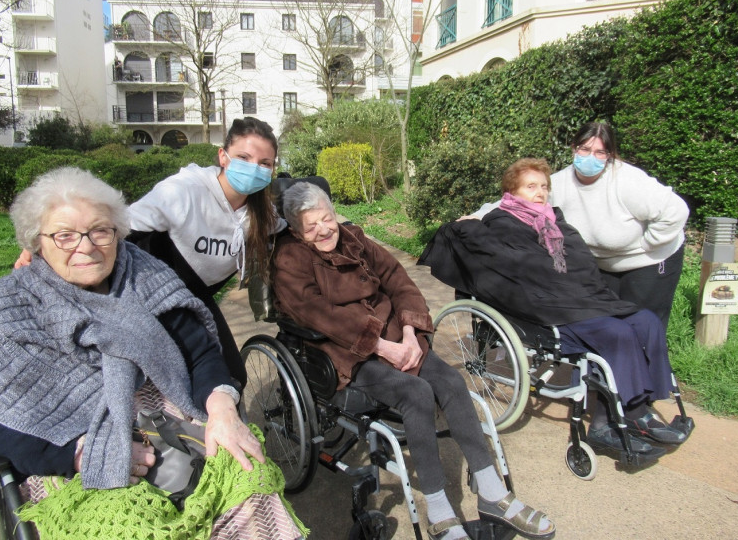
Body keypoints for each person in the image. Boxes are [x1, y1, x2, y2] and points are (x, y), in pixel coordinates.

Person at [0, 167, 304, 539]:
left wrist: (222, 408)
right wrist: (77, 456)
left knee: (248, 477)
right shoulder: (5, 309)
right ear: (36, 241)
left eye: (100, 230)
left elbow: (200, 352)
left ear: (117, 232)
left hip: (169, 419)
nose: (87, 246)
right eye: (65, 236)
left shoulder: (145, 275)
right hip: (71, 449)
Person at [272, 182, 555, 540]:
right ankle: (438, 511)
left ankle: (492, 493)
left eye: (327, 219)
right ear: (297, 231)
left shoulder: (354, 237)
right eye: (311, 227)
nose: (324, 230)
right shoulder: (290, 258)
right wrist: (380, 346)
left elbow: (397, 278)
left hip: (396, 337)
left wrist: (409, 331)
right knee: (416, 393)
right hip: (345, 349)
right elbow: (316, 313)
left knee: (452, 383)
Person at [421, 158, 688, 459]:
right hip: (545, 306)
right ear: (512, 191)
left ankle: (643, 408)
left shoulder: (554, 222)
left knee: (646, 321)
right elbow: (514, 269)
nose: (540, 192)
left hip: (581, 297)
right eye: (531, 186)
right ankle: (620, 420)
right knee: (617, 333)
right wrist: (465, 223)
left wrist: (581, 289)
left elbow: (580, 265)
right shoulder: (500, 224)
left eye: (544, 186)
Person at [15, 117, 286, 388]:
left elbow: (299, 226)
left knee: (231, 377)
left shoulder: (262, 213)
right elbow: (115, 226)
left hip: (195, 297)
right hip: (147, 289)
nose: (254, 168)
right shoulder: (183, 191)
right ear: (223, 156)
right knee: (177, 377)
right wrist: (39, 250)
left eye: (264, 163)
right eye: (244, 157)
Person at [465, 123, 688, 331]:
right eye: (585, 149)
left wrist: (646, 244)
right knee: (608, 325)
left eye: (600, 152)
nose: (591, 157)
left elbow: (676, 211)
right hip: (603, 263)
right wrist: (477, 215)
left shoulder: (628, 181)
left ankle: (646, 372)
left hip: (648, 260)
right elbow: (518, 201)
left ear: (609, 156)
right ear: (574, 148)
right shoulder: (561, 183)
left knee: (642, 325)